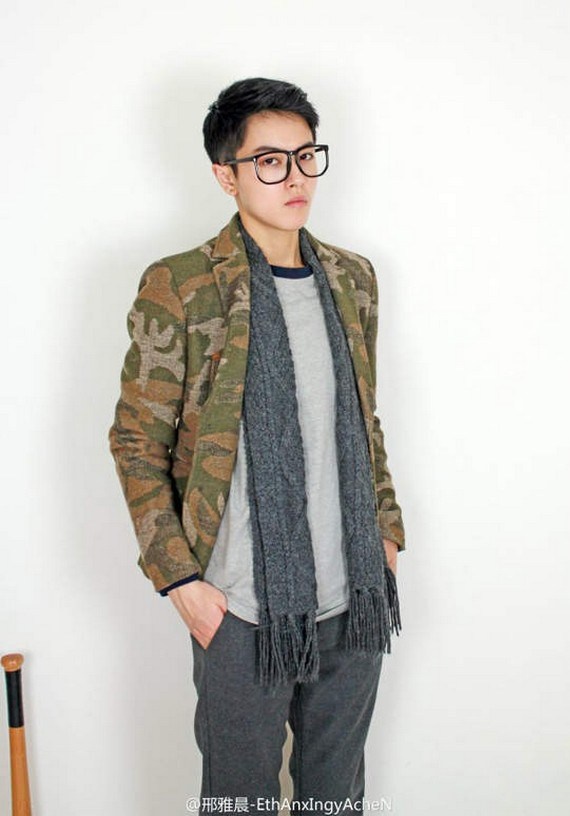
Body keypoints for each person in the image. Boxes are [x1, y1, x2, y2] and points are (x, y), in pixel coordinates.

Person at [108, 77, 405, 810]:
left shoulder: (353, 279)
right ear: (226, 175)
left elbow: (363, 418)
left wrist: (387, 534)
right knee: (238, 799)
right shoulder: (182, 285)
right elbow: (137, 440)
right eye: (270, 161)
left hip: (353, 596)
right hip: (239, 608)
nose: (296, 177)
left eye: (306, 156)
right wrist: (182, 583)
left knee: (336, 797)